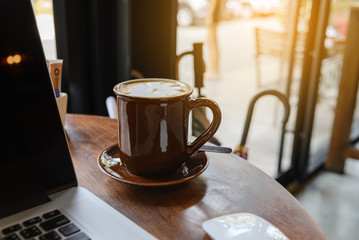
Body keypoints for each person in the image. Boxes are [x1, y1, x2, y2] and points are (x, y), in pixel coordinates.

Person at [205, 0, 221, 78]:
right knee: (211, 41)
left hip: (214, 14)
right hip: (215, 13)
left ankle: (213, 70)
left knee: (211, 42)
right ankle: (213, 69)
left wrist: (209, 15)